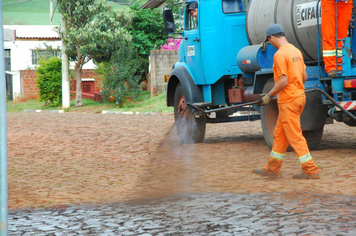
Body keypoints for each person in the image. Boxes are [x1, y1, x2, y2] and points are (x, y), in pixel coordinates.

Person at [253, 24, 320, 179]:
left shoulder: (280, 55)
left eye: (270, 42)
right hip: (299, 97)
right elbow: (304, 77)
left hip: (288, 101)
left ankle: (311, 170)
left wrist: (268, 95)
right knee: (280, 135)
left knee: (295, 136)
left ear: (271, 38)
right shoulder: (296, 51)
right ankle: (272, 168)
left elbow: (283, 80)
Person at [321, 0, 353, 77]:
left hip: (346, 3)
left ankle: (341, 65)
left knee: (342, 38)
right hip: (329, 2)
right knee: (329, 35)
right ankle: (331, 67)